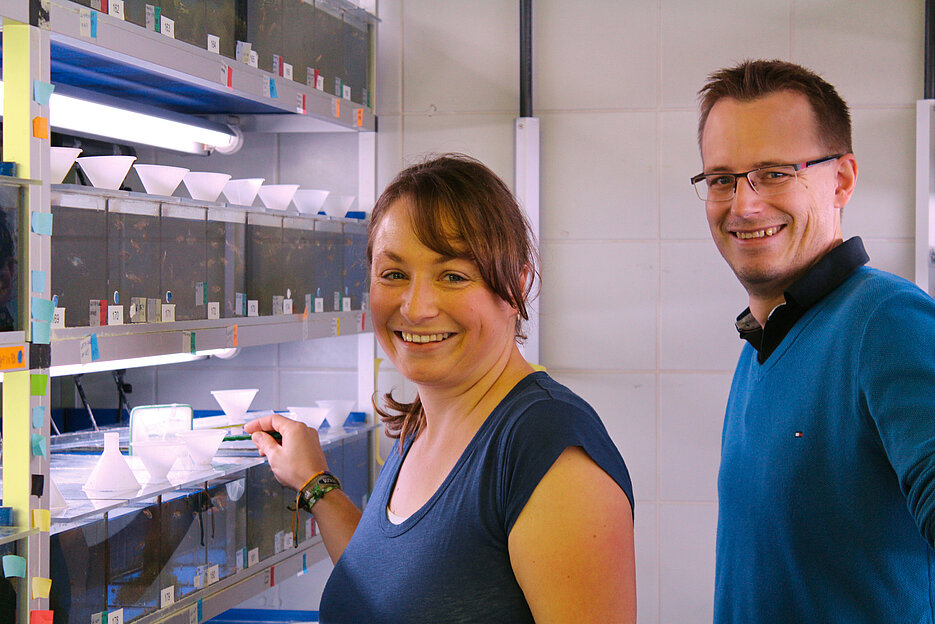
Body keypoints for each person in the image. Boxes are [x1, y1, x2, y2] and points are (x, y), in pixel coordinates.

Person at [247, 154, 636, 623]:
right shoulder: (426, 423)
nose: (416, 307)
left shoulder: (547, 448)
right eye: (394, 274)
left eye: (452, 276)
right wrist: (315, 483)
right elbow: (393, 588)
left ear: (516, 286)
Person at [692, 59, 935, 622]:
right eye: (722, 179)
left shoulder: (886, 321)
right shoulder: (765, 341)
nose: (744, 204)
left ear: (842, 179)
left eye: (775, 172)